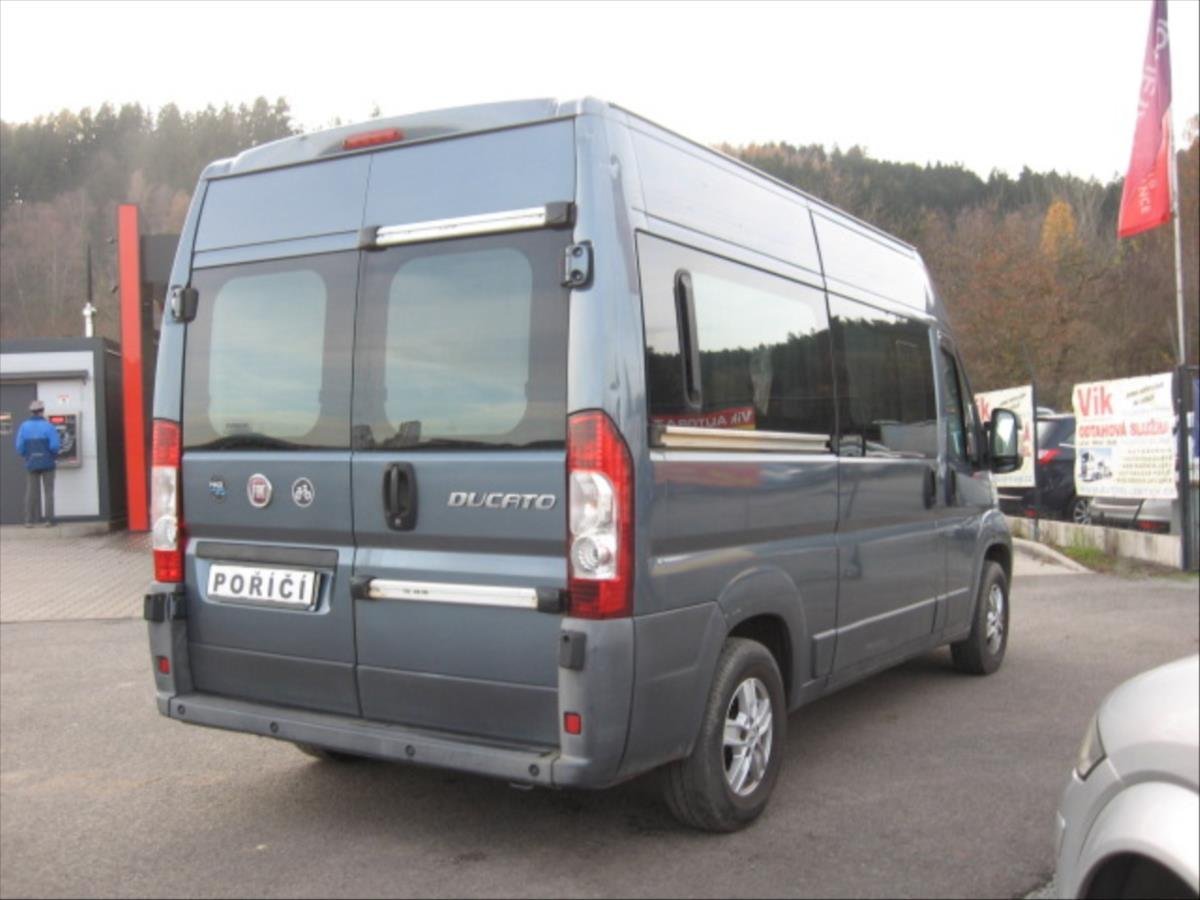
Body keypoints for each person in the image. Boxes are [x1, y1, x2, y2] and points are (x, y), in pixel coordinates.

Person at [14, 399, 60, 528]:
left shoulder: (24, 426)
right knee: (48, 492)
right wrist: (52, 455)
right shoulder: (49, 426)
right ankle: (49, 520)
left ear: (31, 412)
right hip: (48, 463)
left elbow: (19, 447)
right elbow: (55, 446)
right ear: (42, 411)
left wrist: (27, 456)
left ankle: (29, 520)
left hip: (31, 463)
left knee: (31, 492)